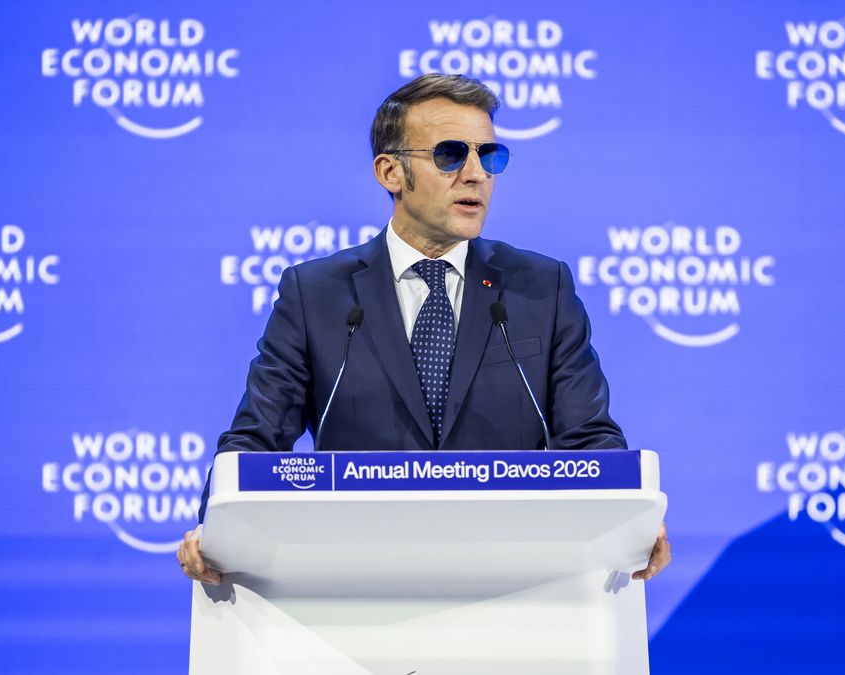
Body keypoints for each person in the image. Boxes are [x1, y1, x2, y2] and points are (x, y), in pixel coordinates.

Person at [178, 73, 670, 585]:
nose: (476, 174)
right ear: (390, 172)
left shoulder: (540, 289)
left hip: (516, 582)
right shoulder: (317, 294)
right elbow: (256, 440)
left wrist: (627, 521)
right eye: (451, 155)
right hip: (352, 583)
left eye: (490, 156)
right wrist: (213, 530)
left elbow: (589, 440)